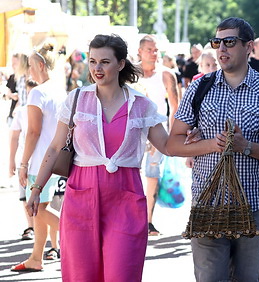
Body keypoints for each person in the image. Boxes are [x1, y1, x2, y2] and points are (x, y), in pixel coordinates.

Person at [21, 33, 176, 281]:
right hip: (81, 195)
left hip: (125, 197)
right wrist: (37, 187)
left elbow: (168, 146)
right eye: (93, 61)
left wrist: (200, 139)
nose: (97, 68)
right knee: (82, 275)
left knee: (122, 273)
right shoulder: (76, 100)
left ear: (121, 64)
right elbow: (54, 148)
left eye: (104, 61)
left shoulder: (141, 105)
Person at [167, 17, 259, 281]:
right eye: (217, 42)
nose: (222, 49)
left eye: (229, 42)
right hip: (207, 205)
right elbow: (173, 144)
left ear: (248, 47)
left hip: (253, 206)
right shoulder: (200, 87)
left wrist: (246, 146)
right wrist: (211, 144)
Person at [11, 43, 66, 272]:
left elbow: (32, 132)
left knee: (39, 208)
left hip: (40, 161)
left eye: (31, 66)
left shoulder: (38, 92)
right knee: (40, 208)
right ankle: (36, 257)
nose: (28, 71)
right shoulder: (59, 90)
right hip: (57, 159)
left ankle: (82, 236)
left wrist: (22, 163)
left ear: (41, 66)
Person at [136, 34, 179, 236]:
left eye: (156, 50)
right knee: (131, 176)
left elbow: (175, 108)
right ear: (140, 51)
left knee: (152, 176)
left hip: (158, 133)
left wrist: (173, 137)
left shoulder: (166, 74)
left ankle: (148, 221)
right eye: (149, 50)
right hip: (133, 132)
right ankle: (133, 218)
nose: (154, 54)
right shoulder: (130, 73)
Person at [9, 79, 38, 241]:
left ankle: (50, 232)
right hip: (25, 160)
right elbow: (14, 137)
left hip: (41, 161)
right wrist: (13, 161)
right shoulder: (21, 112)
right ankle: (31, 226)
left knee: (48, 199)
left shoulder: (48, 108)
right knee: (25, 197)